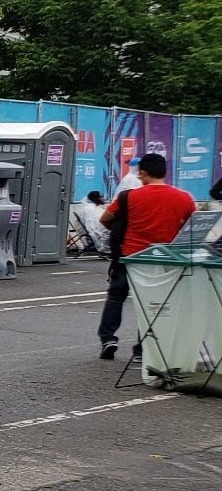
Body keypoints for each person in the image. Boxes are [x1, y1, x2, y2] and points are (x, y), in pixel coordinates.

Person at [97, 153, 195, 360]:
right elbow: (191, 227)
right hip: (164, 259)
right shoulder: (184, 198)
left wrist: (119, 230)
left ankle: (108, 339)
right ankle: (143, 349)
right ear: (165, 172)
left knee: (116, 297)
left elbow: (105, 219)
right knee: (154, 304)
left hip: (130, 256)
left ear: (142, 173)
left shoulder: (129, 196)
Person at [71, 190, 109, 256]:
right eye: (101, 197)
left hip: (94, 229)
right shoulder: (89, 209)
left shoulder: (93, 207)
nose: (103, 199)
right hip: (91, 231)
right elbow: (91, 226)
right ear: (95, 198)